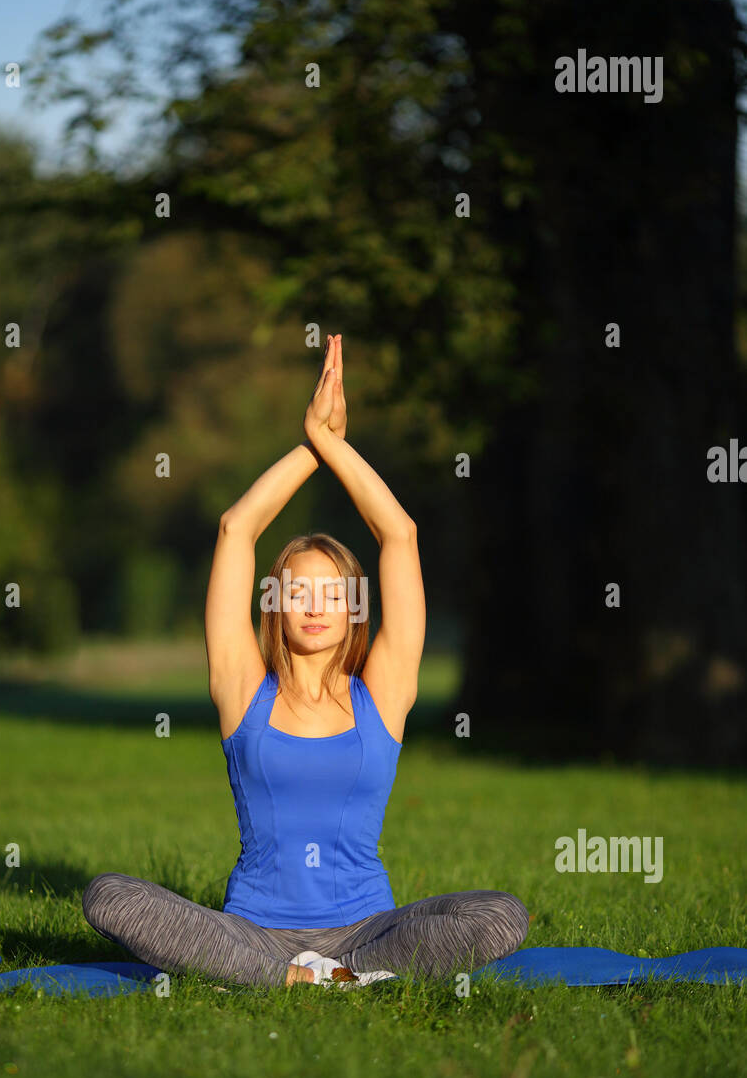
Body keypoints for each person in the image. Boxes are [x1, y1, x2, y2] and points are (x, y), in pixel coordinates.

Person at [82, 334, 529, 988]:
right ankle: (301, 976)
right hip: (253, 928)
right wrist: (308, 446)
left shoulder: (383, 691)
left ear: (353, 606)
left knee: (501, 915)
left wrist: (336, 445)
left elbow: (399, 534)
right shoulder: (244, 689)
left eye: (331, 593)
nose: (314, 606)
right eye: (296, 591)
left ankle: (321, 973)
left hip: (369, 930)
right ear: (276, 603)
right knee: (109, 895)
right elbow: (238, 528)